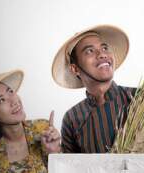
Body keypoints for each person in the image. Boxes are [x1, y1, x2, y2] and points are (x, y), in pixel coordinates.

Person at [52, 25, 136, 153]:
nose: (102, 54)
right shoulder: (72, 119)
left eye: (104, 48)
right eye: (89, 51)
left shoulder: (139, 98)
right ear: (75, 69)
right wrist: (53, 151)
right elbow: (71, 169)